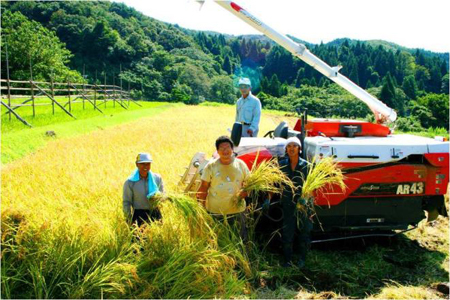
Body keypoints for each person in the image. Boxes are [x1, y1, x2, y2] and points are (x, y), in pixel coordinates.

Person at [266, 137, 312, 268]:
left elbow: (312, 187)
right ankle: (287, 260)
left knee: (304, 232)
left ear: (299, 149)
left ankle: (302, 259)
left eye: (295, 146)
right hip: (287, 204)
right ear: (286, 149)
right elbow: (274, 184)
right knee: (287, 232)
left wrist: (306, 198)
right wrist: (268, 199)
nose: (292, 148)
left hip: (303, 205)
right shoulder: (282, 165)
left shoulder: (306, 166)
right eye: (289, 146)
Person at [197, 136, 250, 241]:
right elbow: (203, 188)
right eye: (222, 148)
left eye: (228, 147)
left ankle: (238, 258)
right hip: (215, 212)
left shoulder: (241, 165)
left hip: (237, 211)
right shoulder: (211, 166)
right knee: (217, 241)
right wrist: (201, 209)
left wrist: (246, 192)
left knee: (239, 241)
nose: (225, 150)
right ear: (217, 151)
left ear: (232, 149)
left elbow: (249, 184)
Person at [123, 153, 164, 226]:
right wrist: (128, 219)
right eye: (142, 164)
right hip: (139, 216)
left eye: (148, 164)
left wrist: (159, 198)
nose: (145, 166)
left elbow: (163, 195)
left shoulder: (157, 178)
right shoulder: (130, 182)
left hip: (155, 214)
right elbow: (127, 202)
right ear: (137, 164)